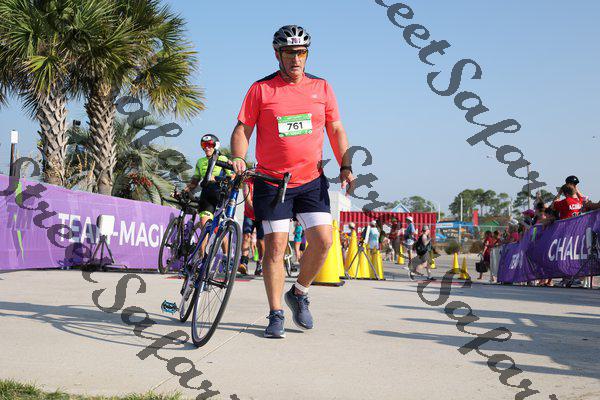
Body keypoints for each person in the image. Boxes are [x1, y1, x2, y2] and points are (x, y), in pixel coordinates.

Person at [230, 25, 354, 339]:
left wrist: (345, 165)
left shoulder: (321, 87)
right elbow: (243, 129)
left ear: (307, 54)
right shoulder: (261, 89)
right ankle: (275, 314)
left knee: (324, 241)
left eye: (301, 52)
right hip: (272, 182)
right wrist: (239, 158)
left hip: (311, 180)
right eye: (289, 53)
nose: (296, 59)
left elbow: (336, 129)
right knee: (275, 248)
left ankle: (298, 292)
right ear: (278, 54)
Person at [183, 134, 231, 228]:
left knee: (218, 228)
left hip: (220, 194)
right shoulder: (200, 161)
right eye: (204, 145)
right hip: (206, 194)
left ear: (215, 146)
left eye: (210, 145)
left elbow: (232, 176)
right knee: (205, 226)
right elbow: (195, 181)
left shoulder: (223, 159)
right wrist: (187, 188)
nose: (207, 148)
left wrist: (217, 178)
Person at [239, 177, 265, 276]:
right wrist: (256, 211)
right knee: (246, 236)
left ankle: (260, 263)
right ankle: (244, 263)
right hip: (249, 214)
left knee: (261, 241)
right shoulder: (247, 182)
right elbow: (247, 199)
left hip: (262, 216)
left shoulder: (265, 181)